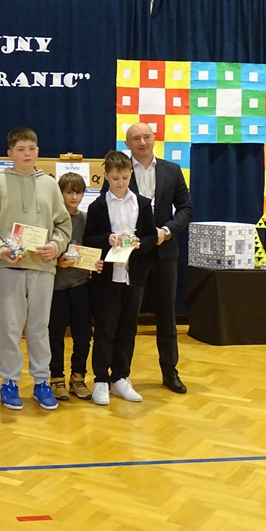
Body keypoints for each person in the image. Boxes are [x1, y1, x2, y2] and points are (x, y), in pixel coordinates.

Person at [0, 127, 71, 411]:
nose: (27, 154)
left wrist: (55, 246)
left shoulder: (50, 185)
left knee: (40, 327)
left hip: (42, 267)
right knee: (11, 328)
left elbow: (63, 226)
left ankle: (42, 381)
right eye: (20, 150)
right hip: (8, 267)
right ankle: (9, 382)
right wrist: (0, 250)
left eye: (31, 149)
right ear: (10, 154)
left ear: (38, 151)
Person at [83, 150, 157, 406]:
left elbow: (151, 237)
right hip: (107, 278)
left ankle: (120, 377)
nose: (120, 183)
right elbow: (89, 238)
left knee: (128, 329)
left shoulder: (142, 204)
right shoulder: (98, 206)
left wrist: (140, 243)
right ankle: (101, 380)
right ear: (106, 176)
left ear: (131, 174)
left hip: (133, 276)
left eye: (125, 178)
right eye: (115, 178)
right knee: (105, 329)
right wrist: (109, 239)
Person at [124, 122, 194, 394]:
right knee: (128, 316)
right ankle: (121, 375)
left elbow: (186, 209)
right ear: (127, 144)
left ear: (154, 139)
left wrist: (167, 231)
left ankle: (170, 372)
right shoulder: (120, 170)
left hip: (165, 252)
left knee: (167, 316)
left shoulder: (172, 170)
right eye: (136, 138)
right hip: (132, 254)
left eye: (146, 137)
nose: (142, 142)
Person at [48, 172, 102, 402]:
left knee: (83, 334)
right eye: (69, 192)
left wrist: (96, 263)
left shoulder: (87, 219)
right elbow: (42, 252)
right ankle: (56, 378)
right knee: (56, 335)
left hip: (81, 285)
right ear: (60, 193)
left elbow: (94, 249)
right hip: (56, 288)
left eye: (78, 192)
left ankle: (78, 377)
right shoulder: (52, 221)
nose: (74, 197)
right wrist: (57, 262)